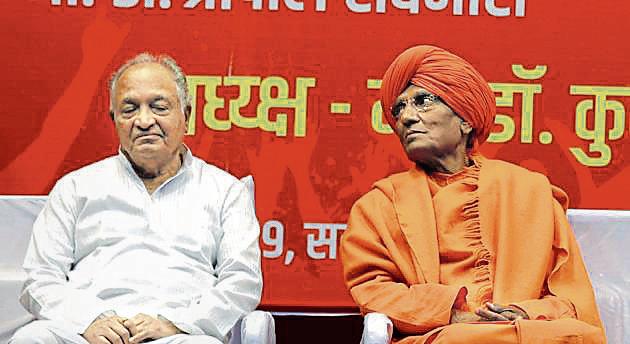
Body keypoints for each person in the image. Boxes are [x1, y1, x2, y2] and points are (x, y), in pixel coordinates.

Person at [340, 45, 605, 343]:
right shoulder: (378, 205)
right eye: (398, 109)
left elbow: (571, 294)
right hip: (444, 333)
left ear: (465, 120)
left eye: (423, 101)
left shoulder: (531, 190)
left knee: (578, 335)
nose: (407, 118)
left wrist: (525, 313)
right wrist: (452, 315)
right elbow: (374, 289)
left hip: (526, 330)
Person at [9, 53, 262, 344]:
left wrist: (176, 324)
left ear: (186, 115)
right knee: (33, 338)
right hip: (86, 333)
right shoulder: (76, 187)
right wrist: (86, 322)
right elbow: (40, 278)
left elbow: (242, 281)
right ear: (113, 119)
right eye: (129, 109)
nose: (144, 121)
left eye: (159, 107)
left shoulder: (226, 191)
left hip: (176, 334)